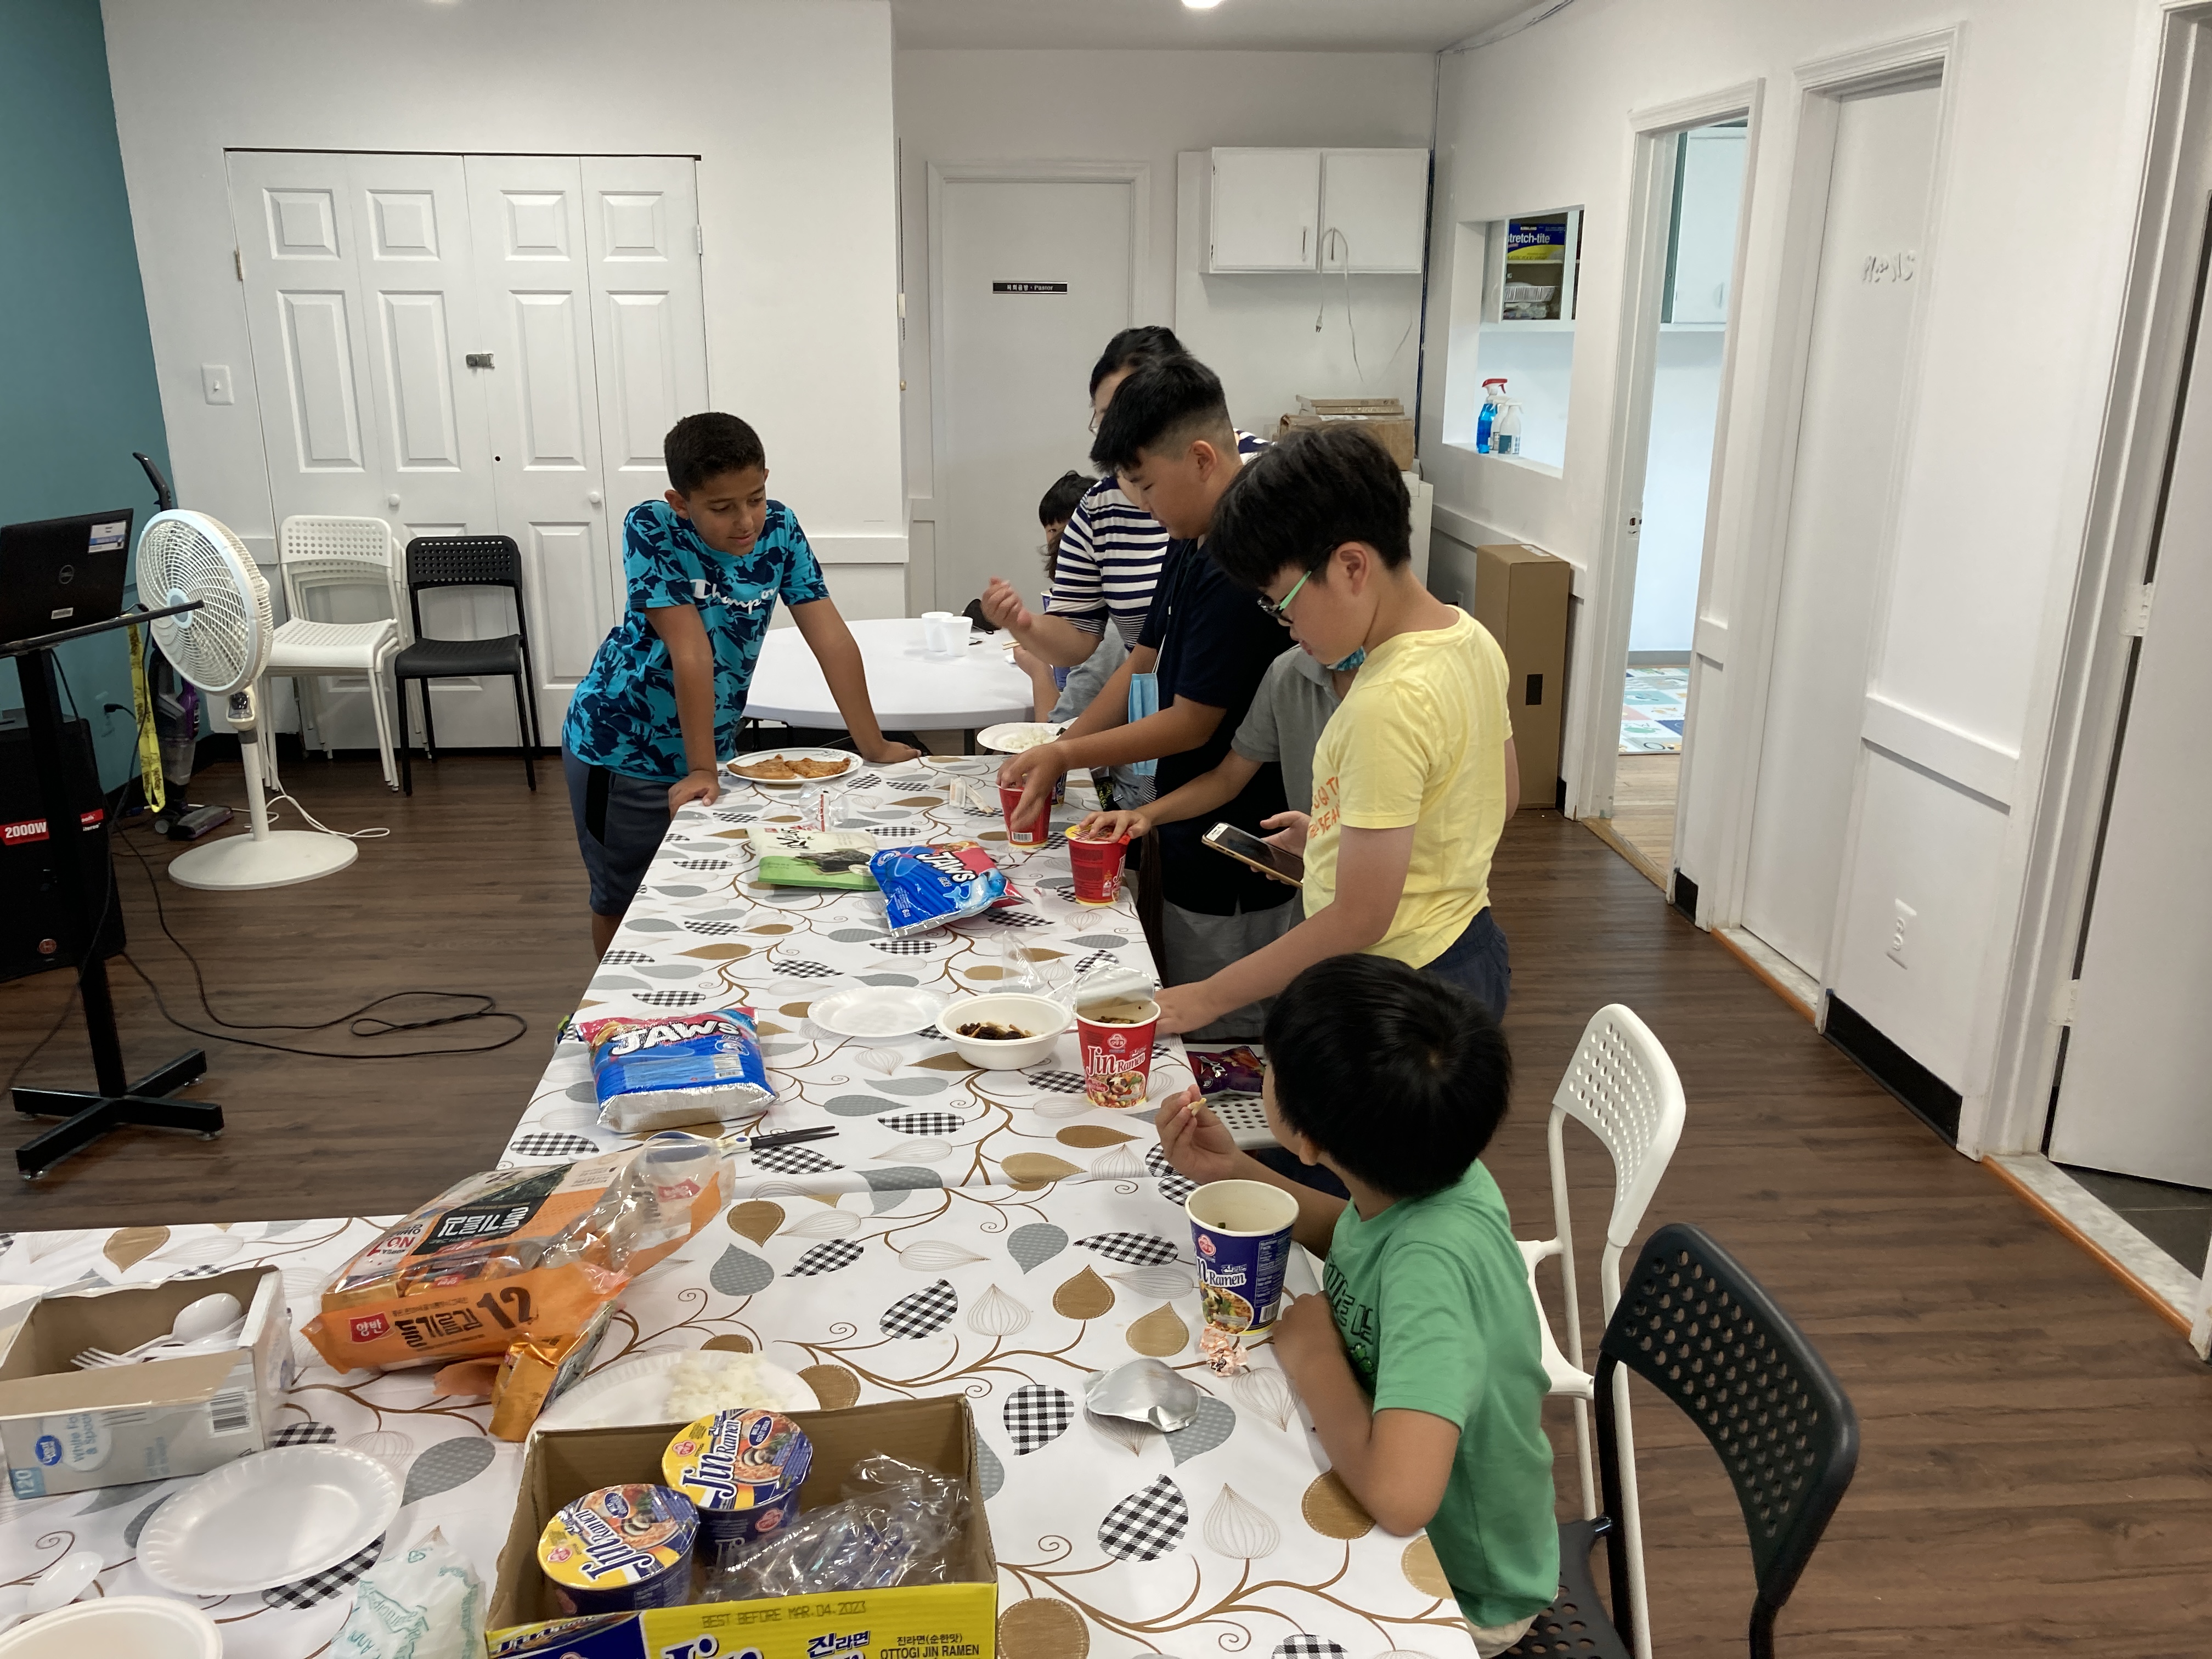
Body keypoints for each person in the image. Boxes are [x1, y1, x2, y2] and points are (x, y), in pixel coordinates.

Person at [1155, 955, 1556, 1656]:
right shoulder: (1437, 1167)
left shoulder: (1432, 1268)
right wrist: (1238, 1171)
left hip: (1460, 1591)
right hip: (1394, 1479)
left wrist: (1315, 1356)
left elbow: (1402, 1499)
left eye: (1268, 1068)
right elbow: (1359, 1234)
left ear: (1307, 1140)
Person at [1144, 422, 1519, 1035]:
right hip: (1469, 949)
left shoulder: (1384, 703)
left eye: (1284, 603)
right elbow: (1498, 798)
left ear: (1350, 567)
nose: (1288, 628)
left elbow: (1359, 918)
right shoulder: (1471, 639)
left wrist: (1208, 997)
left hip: (1393, 992)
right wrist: (1342, 838)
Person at [996, 355, 1296, 1039]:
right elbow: (1143, 660)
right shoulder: (1190, 537)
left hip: (1242, 845)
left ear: (1201, 459)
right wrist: (1060, 744)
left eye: (1147, 485)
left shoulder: (1239, 562)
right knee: (1181, 986)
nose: (1141, 504)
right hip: (1184, 817)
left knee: (1228, 1029)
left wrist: (1065, 755)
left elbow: (1192, 723)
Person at [562, 413, 917, 956]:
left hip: (710, 747)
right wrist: (703, 768)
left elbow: (831, 639)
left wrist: (873, 744)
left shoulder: (781, 529)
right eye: (722, 508)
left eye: (755, 498)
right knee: (623, 900)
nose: (746, 520)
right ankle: (615, 1003)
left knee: (709, 888)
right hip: (620, 748)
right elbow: (691, 652)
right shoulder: (652, 527)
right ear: (681, 502)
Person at [979, 327, 1266, 674]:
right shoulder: (1102, 510)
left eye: (1132, 413)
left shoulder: (1257, 482)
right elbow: (1134, 650)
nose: (1119, 432)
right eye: (1106, 418)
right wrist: (1023, 624)